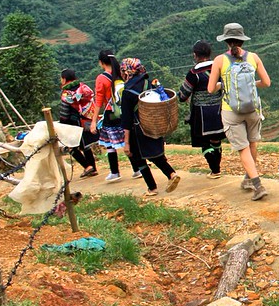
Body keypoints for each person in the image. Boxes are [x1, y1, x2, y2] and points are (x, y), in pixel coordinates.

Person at [208, 23, 271, 200]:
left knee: (243, 148)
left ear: (226, 41)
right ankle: (248, 178)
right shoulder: (253, 57)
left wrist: (224, 85)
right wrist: (253, 84)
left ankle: (258, 185)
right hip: (252, 109)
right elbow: (266, 83)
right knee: (252, 144)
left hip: (231, 111)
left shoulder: (220, 61)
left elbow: (211, 88)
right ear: (242, 40)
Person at [119, 58, 181, 197]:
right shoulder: (150, 82)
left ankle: (152, 188)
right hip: (154, 124)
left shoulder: (128, 91)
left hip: (138, 130)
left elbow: (126, 119)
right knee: (156, 155)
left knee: (137, 158)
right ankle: (171, 174)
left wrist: (126, 142)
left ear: (127, 72)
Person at [177, 40, 224, 178]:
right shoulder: (219, 68)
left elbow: (183, 95)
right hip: (219, 110)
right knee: (216, 140)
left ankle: (215, 170)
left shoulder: (193, 73)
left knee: (204, 142)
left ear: (195, 55)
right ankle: (217, 168)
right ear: (209, 54)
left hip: (201, 113)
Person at [89, 50, 134, 182]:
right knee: (128, 140)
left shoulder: (101, 78)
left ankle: (115, 172)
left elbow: (98, 101)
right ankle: (137, 168)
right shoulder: (121, 74)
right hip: (123, 111)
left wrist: (94, 121)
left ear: (101, 62)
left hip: (110, 113)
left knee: (109, 144)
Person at [58, 69, 98, 178]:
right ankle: (93, 168)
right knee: (86, 146)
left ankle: (87, 167)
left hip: (73, 124)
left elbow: (64, 113)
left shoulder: (66, 94)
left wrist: (62, 126)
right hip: (87, 121)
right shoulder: (83, 88)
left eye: (61, 78)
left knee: (72, 147)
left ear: (65, 79)